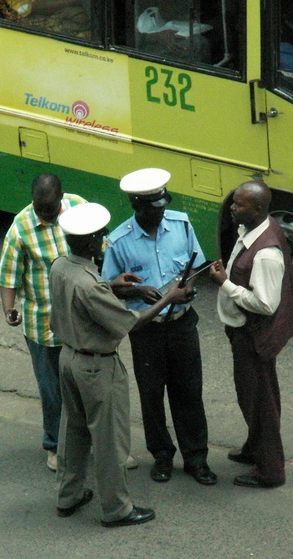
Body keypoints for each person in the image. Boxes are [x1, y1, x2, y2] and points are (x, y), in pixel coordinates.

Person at [50, 202, 190, 527]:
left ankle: (68, 496)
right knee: (109, 439)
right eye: (100, 236)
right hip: (96, 368)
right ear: (89, 242)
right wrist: (169, 297)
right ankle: (116, 509)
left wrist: (114, 287)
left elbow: (86, 295)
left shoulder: (61, 266)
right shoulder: (89, 284)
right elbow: (132, 323)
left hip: (68, 359)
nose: (103, 240)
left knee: (72, 432)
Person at [101, 168, 217, 486]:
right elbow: (109, 287)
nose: (161, 213)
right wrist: (138, 291)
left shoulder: (180, 225)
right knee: (152, 395)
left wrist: (188, 287)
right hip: (147, 330)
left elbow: (196, 266)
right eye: (154, 209)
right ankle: (162, 455)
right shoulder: (119, 241)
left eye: (163, 206)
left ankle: (197, 459)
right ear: (137, 206)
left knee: (190, 393)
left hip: (182, 324)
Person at [209, 181, 293, 488]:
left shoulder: (265, 255)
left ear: (259, 210)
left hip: (254, 337)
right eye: (234, 203)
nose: (232, 208)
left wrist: (226, 283)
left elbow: (264, 303)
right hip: (247, 332)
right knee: (253, 395)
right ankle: (255, 449)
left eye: (239, 205)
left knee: (259, 402)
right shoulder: (261, 227)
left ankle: (270, 471)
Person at [0, 173, 82, 473]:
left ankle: (95, 443)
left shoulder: (78, 209)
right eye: (38, 206)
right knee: (52, 392)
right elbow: (8, 277)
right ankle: (54, 446)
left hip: (82, 323)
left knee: (88, 387)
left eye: (49, 208)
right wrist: (10, 310)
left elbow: (102, 248)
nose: (43, 213)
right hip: (42, 327)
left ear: (61, 200)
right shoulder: (21, 228)